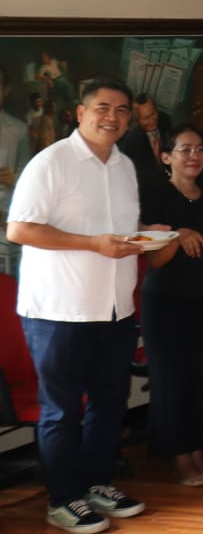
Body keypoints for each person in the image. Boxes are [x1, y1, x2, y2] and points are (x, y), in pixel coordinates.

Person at [7, 77, 153, 533]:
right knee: (61, 409)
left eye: (122, 110)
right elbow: (19, 229)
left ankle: (97, 484)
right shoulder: (51, 163)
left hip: (114, 309)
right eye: (103, 108)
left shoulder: (125, 166)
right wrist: (93, 243)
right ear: (80, 113)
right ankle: (62, 498)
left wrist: (146, 235)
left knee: (109, 404)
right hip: (59, 312)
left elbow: (116, 231)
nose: (113, 117)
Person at [139, 124, 203, 487]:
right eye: (185, 149)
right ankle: (180, 455)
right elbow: (155, 260)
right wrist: (178, 235)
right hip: (166, 304)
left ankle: (199, 448)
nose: (195, 156)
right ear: (166, 157)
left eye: (200, 150)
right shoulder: (156, 196)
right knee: (172, 383)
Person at [119, 92, 172, 187]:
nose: (152, 121)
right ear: (137, 120)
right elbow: (140, 179)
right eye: (146, 118)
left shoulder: (165, 120)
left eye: (153, 114)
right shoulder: (132, 142)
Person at [0, 63, 32, 216]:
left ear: (5, 90)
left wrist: (13, 179)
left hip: (6, 215)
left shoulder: (19, 130)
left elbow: (28, 180)